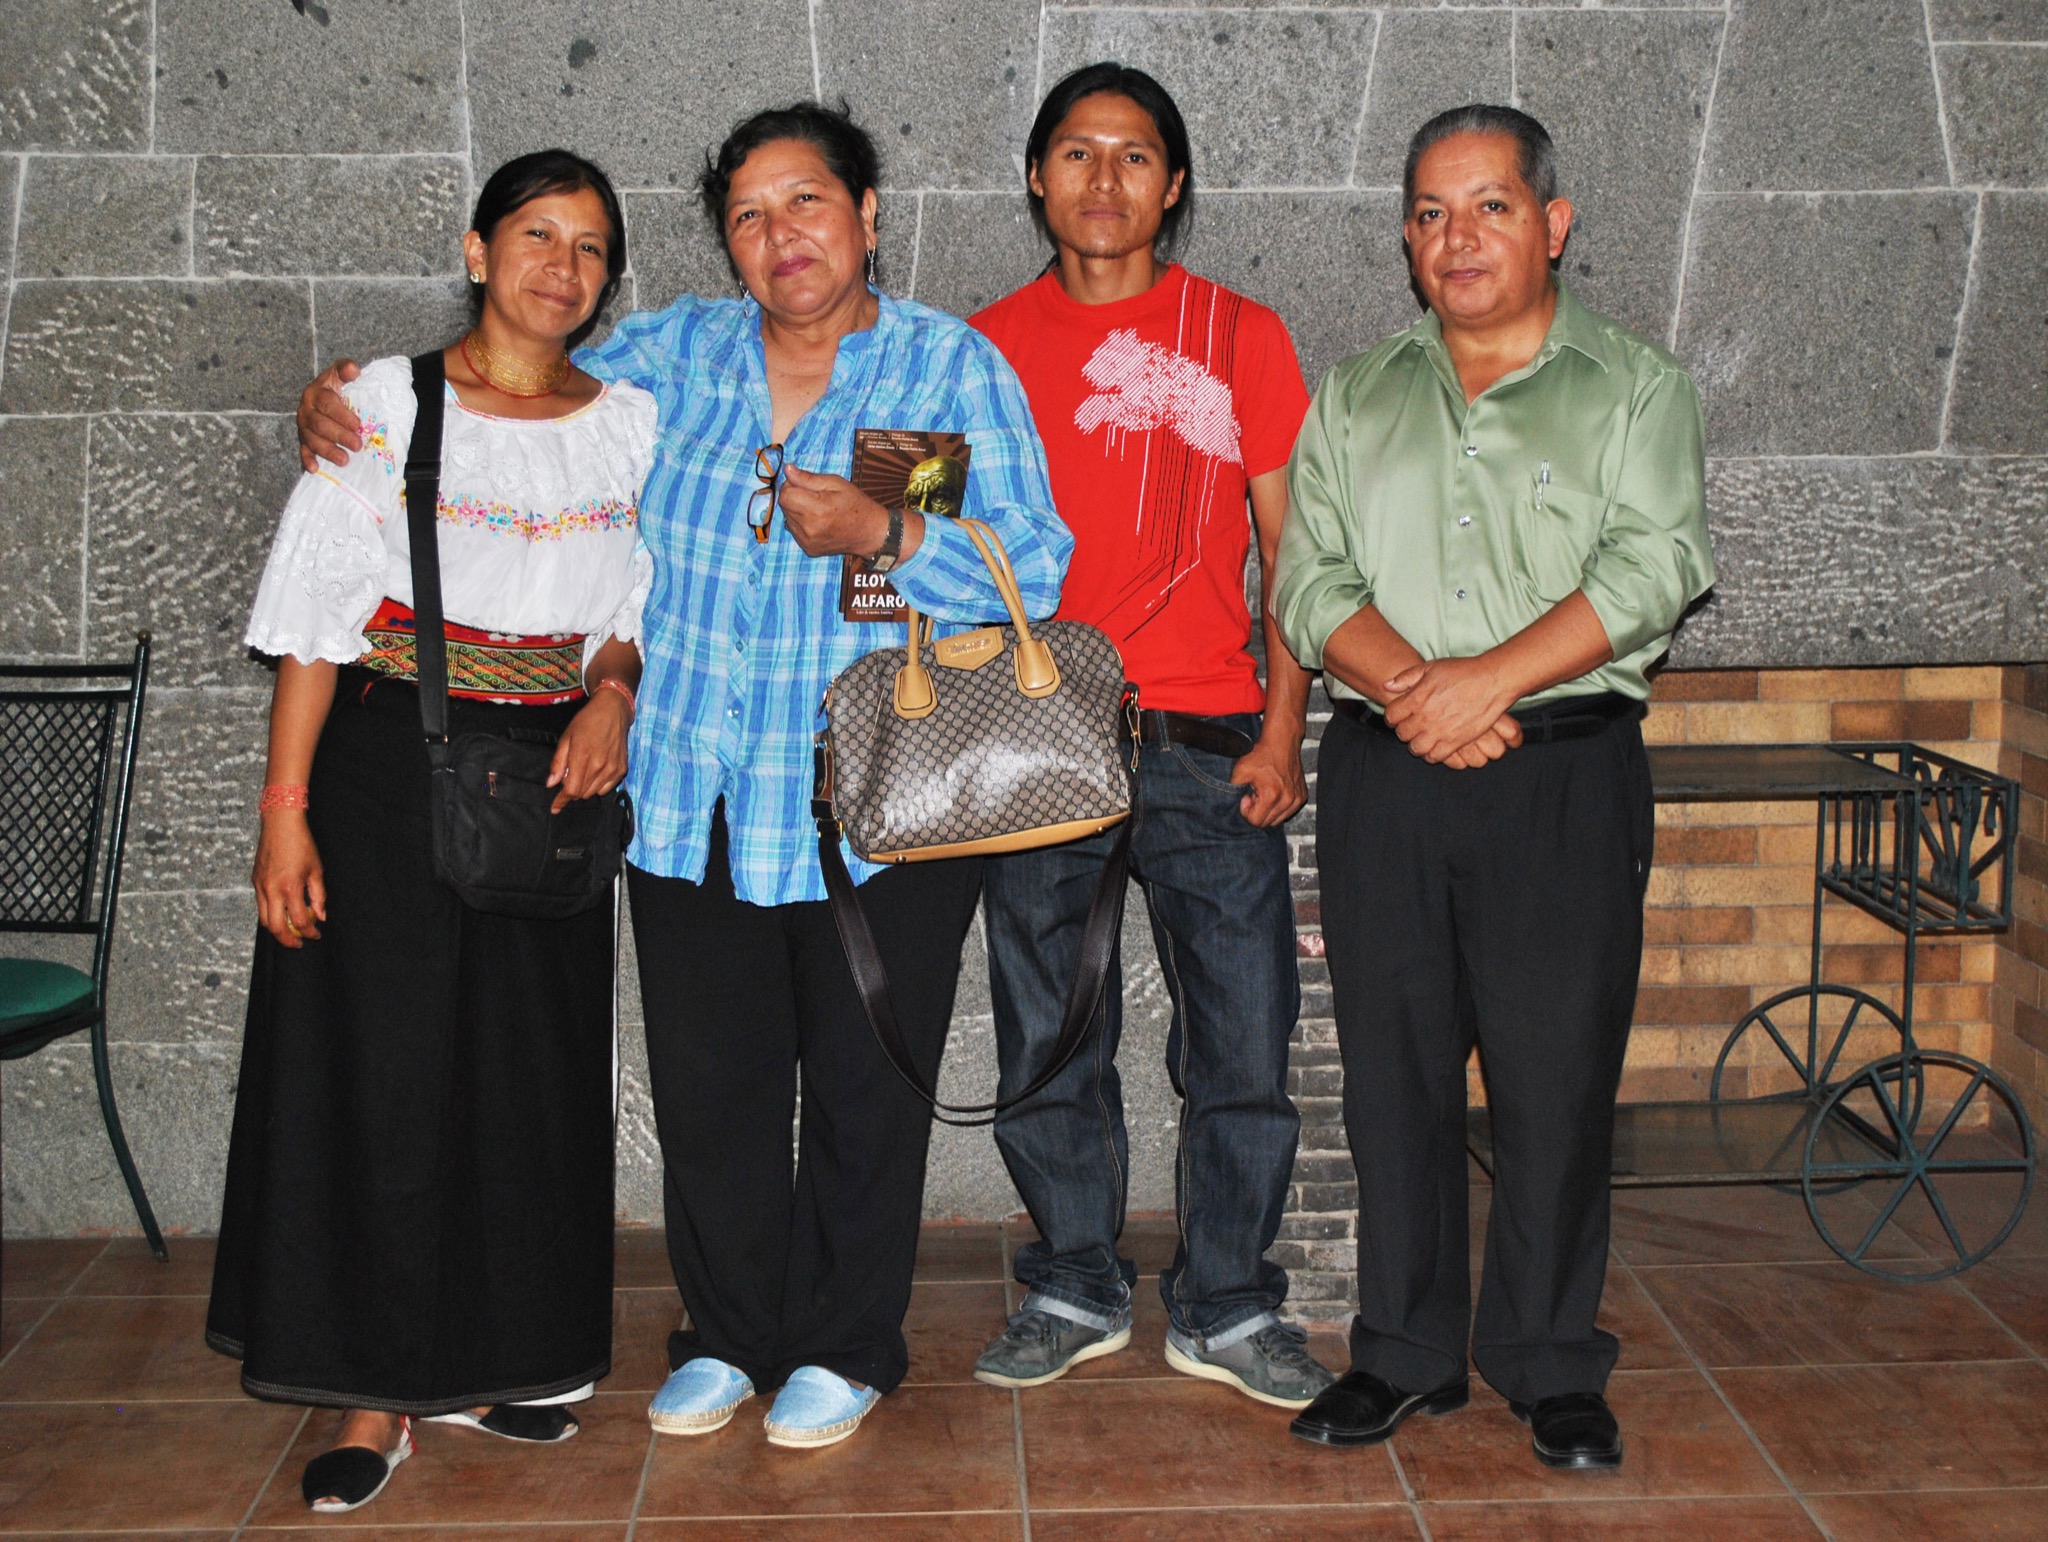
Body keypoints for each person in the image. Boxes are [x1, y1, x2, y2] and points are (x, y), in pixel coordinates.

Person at [294, 102, 1071, 1451]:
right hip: (691, 794)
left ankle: (845, 1341)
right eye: (749, 215)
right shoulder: (672, 357)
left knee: (862, 1089)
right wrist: (361, 400)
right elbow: (516, 389)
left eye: (808, 202)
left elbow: (1033, 565)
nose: (782, 235)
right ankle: (727, 1330)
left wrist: (885, 526)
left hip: (876, 803)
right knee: (713, 1087)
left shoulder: (945, 367)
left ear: (867, 213)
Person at [209, 150, 655, 1512]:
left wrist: (614, 692)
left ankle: (493, 1357)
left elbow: (627, 597)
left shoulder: (627, 423)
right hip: (391, 771)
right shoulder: (383, 405)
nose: (561, 268)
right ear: (476, 249)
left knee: (524, 1075)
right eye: (536, 235)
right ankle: (373, 1390)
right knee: (386, 1078)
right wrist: (284, 814)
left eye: (589, 247)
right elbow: (313, 622)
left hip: (552, 778)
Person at [1273, 105, 1714, 1469]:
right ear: (1407, 239)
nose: (1455, 238)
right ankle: (1403, 1353)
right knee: (1392, 1075)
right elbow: (1309, 581)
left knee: (1554, 1075)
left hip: (1562, 775)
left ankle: (1549, 1358)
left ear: (1553, 223)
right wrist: (1427, 693)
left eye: (1490, 207)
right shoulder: (1357, 393)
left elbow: (1654, 567)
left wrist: (1489, 685)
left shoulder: (1637, 387)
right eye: (1430, 213)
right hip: (1386, 772)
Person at [965, 63, 1332, 1409]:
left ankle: (1226, 1300)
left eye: (1134, 155)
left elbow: (1297, 554)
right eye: (1077, 151)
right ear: (1036, 177)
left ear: (1172, 185)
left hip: (1208, 732)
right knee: (1048, 1031)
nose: (1104, 178)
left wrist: (1285, 730)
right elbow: (911, 545)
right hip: (1034, 731)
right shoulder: (973, 348)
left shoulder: (1243, 334)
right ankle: (1075, 1279)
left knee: (1240, 1034)